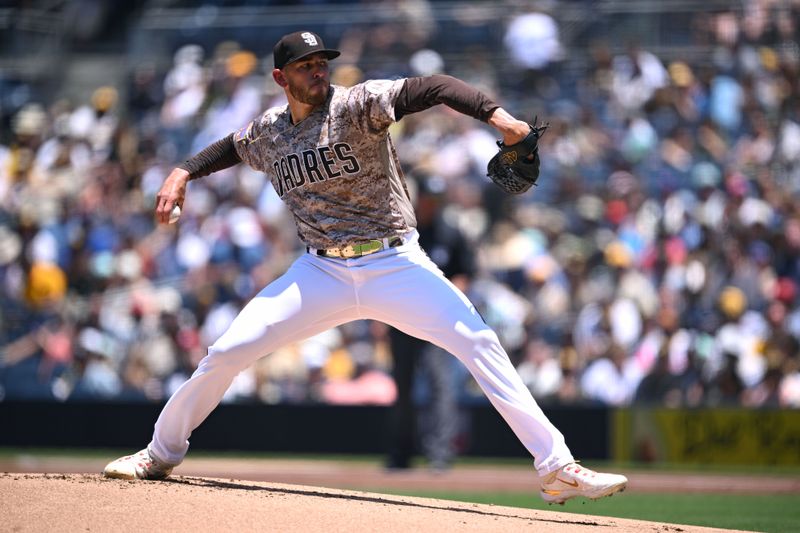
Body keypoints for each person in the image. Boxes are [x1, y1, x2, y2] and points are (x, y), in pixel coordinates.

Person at [103, 30, 627, 504]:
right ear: (281, 78)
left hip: (394, 261)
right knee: (227, 351)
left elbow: (435, 87)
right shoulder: (270, 131)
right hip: (320, 273)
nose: (319, 70)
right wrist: (181, 172)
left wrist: (501, 119)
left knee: (478, 340)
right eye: (306, 65)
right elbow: (228, 149)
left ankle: (557, 467)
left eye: (322, 62)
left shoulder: (357, 104)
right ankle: (159, 453)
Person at [385, 176, 471, 472]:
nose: (430, 205)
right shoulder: (404, 231)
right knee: (403, 387)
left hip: (435, 321)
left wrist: (447, 301)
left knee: (441, 386)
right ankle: (401, 453)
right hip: (401, 317)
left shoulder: (450, 233)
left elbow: (463, 274)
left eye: (436, 201)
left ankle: (440, 452)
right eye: (427, 199)